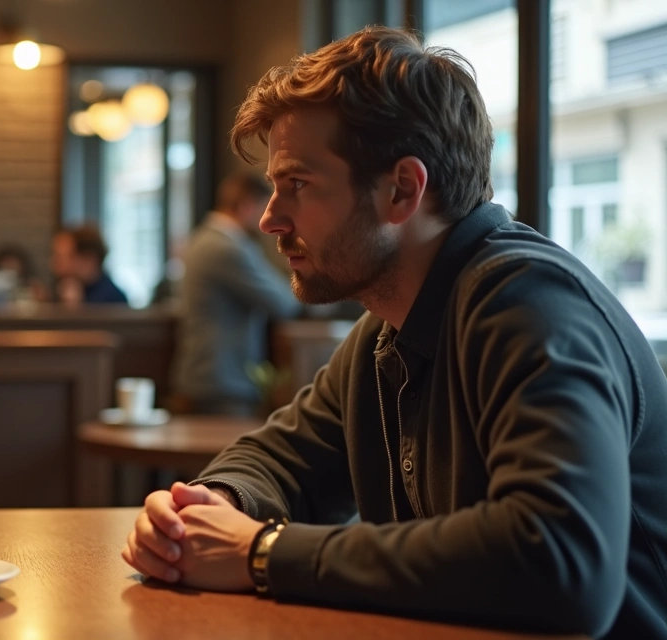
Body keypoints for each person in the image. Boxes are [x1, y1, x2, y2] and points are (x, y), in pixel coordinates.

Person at [123, 26, 667, 638]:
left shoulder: (529, 304)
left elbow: (561, 562)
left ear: (403, 190)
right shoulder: (389, 325)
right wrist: (211, 507)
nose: (273, 219)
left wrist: (263, 554)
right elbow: (281, 459)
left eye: (297, 184)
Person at [172, 172, 302, 416]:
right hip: (222, 380)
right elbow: (284, 302)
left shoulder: (203, 238)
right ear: (247, 206)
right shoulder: (227, 247)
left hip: (208, 373)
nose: (267, 219)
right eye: (265, 207)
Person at [49, 225, 129, 305]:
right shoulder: (70, 289)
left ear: (90, 260)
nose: (55, 263)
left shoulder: (112, 299)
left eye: (68, 257)